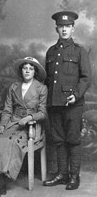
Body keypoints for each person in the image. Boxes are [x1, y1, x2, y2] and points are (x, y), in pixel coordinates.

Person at [0, 57, 48, 197]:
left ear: (35, 72)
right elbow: (7, 110)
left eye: (31, 68)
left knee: (10, 143)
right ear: (21, 70)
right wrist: (2, 126)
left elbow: (42, 113)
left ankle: (0, 185)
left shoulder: (41, 88)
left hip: (31, 127)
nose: (27, 70)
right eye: (25, 68)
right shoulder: (14, 87)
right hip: (13, 122)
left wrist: (30, 118)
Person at [43, 11, 91, 190]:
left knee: (73, 139)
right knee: (58, 139)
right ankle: (62, 174)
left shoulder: (79, 51)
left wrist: (76, 95)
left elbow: (86, 78)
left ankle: (74, 176)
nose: (64, 29)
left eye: (67, 26)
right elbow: (48, 79)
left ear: (73, 28)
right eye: (61, 26)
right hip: (54, 103)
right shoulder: (51, 51)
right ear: (57, 29)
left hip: (73, 104)